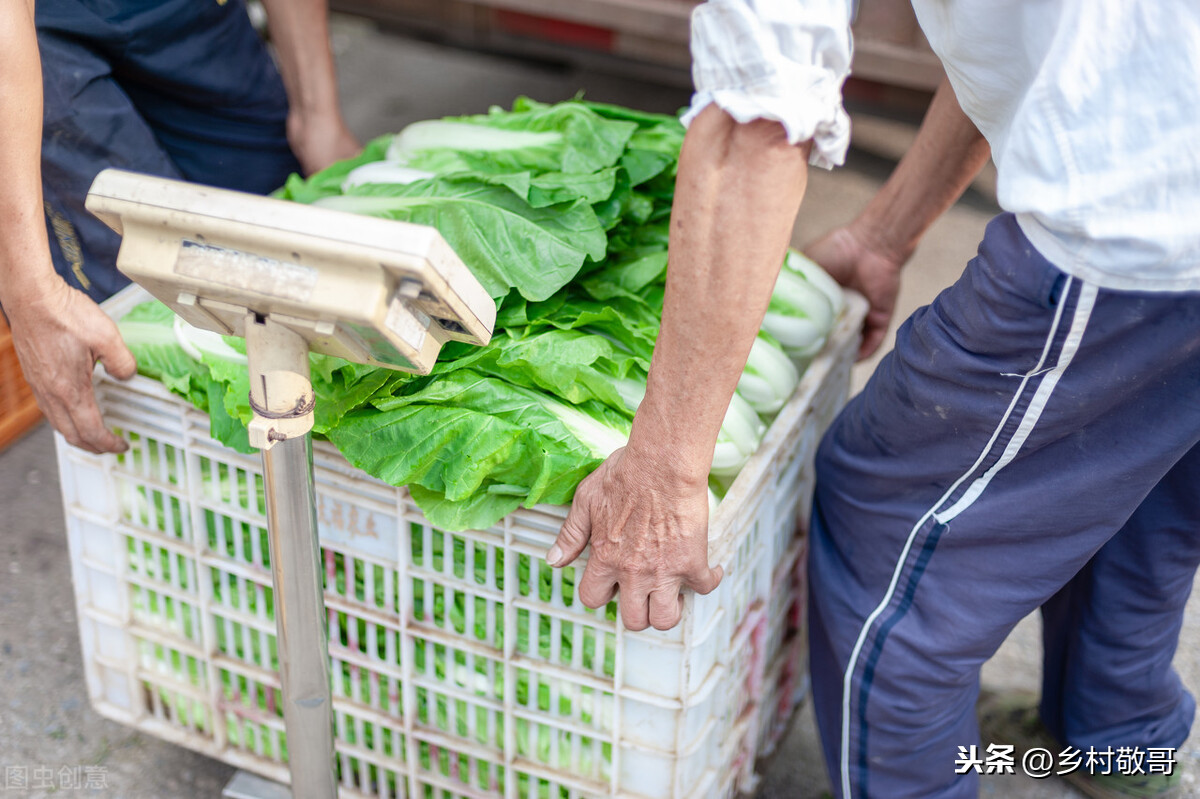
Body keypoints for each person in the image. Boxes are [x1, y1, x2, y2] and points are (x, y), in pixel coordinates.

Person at [547, 1, 1200, 797]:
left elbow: (753, 130)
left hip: (1140, 244)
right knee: (1138, 471)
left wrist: (663, 462)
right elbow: (1032, 41)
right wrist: (884, 235)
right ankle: (1116, 749)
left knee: (888, 532)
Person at [0, 0, 359, 455]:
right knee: (149, 296)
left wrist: (317, 114)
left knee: (285, 260)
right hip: (33, 29)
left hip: (184, 12)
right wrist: (29, 292)